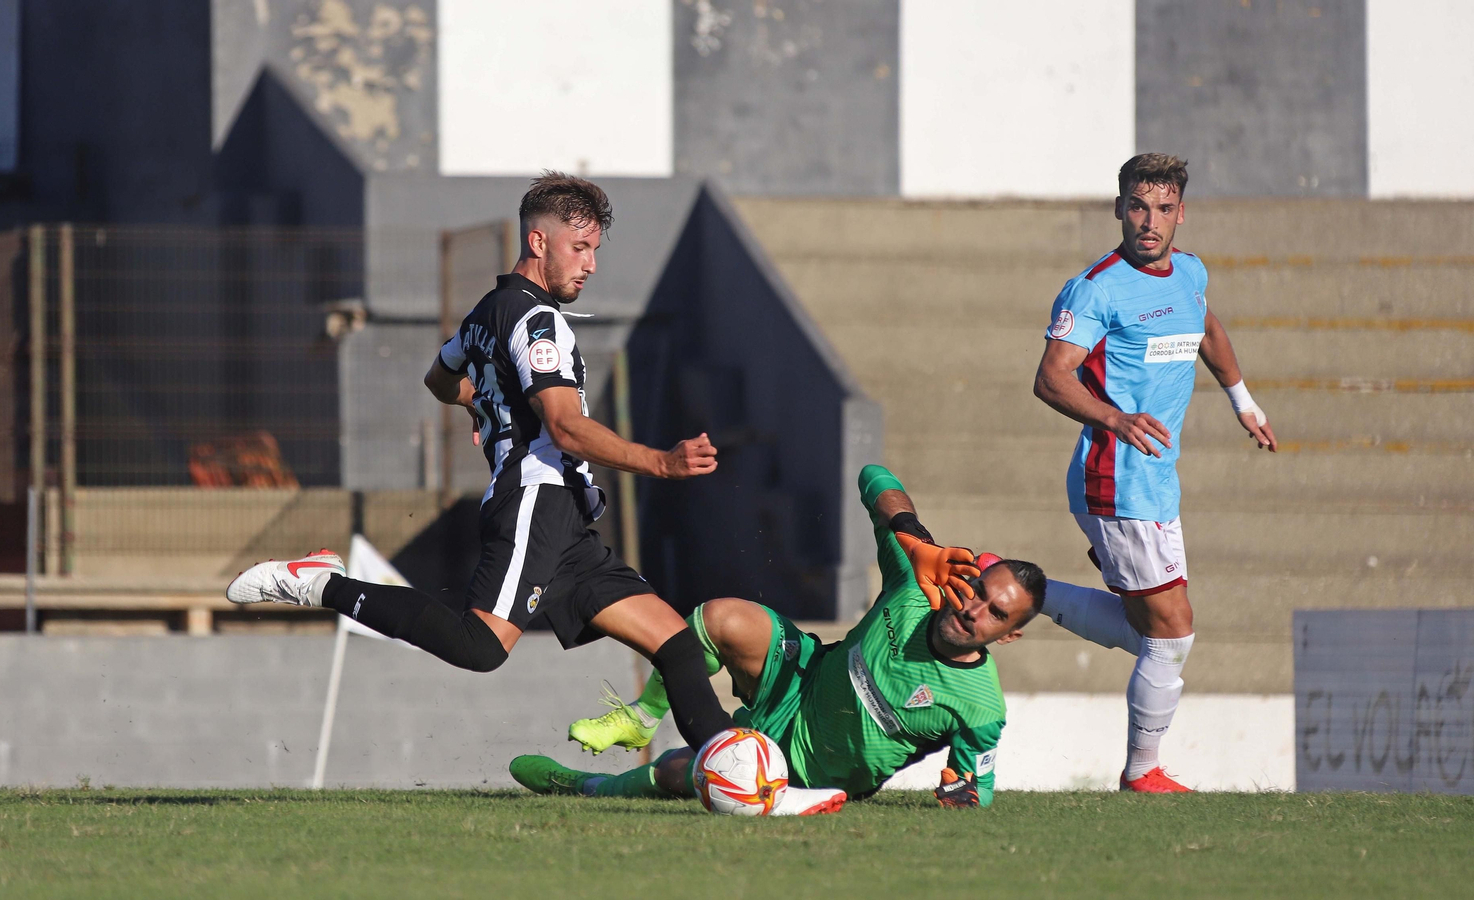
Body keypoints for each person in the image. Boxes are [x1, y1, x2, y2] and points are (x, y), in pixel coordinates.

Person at [227, 172, 736, 753]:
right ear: (539, 243)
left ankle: (730, 766)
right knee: (480, 647)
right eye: (579, 247)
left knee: (676, 644)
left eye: (595, 249)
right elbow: (566, 428)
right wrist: (662, 464)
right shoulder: (534, 320)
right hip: (536, 502)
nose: (591, 263)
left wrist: (484, 402)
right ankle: (323, 584)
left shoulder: (483, 314)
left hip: (568, 522)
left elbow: (439, 377)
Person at [509, 464, 1046, 813]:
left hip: (808, 771)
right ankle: (640, 716)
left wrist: (962, 791)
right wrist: (914, 537)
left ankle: (582, 788)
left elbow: (977, 791)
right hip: (801, 678)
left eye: (995, 614)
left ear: (1011, 635)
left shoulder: (982, 708)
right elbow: (874, 476)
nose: (974, 610)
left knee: (682, 773)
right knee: (720, 616)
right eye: (979, 591)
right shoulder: (917, 584)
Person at [1031, 153, 1278, 793]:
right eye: (1138, 206)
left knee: (1152, 624)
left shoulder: (1189, 273)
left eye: (1163, 209)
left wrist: (1243, 402)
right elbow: (1051, 377)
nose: (1150, 221)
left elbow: (1207, 329)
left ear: (1180, 213)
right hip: (1115, 477)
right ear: (1119, 208)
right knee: (1173, 627)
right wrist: (1116, 420)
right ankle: (1143, 772)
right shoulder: (1096, 288)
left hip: (1154, 478)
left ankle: (1027, 590)